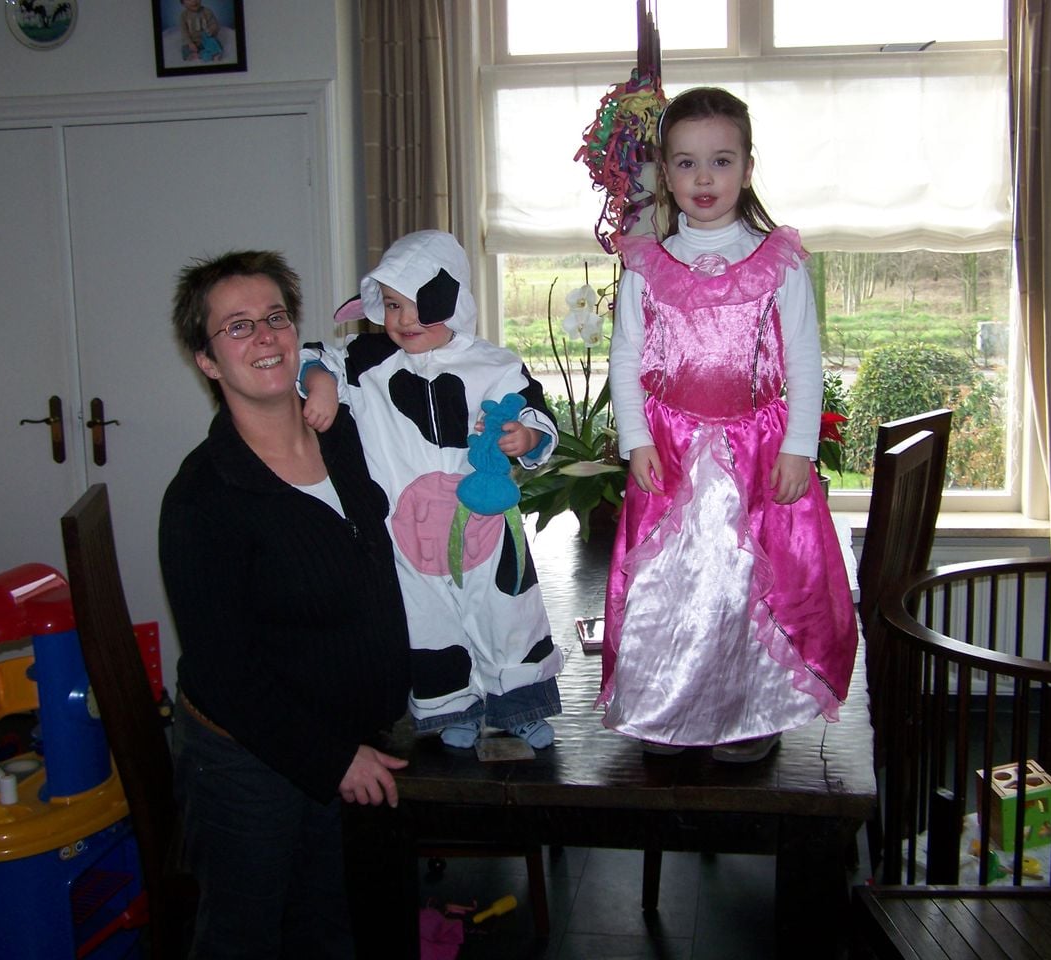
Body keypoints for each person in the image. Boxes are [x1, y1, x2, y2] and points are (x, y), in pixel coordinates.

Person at [160, 250, 411, 957]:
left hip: (352, 738)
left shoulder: (343, 436)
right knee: (248, 937)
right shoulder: (203, 500)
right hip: (253, 764)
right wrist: (332, 759)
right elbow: (225, 674)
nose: (265, 337)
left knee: (330, 929)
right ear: (206, 361)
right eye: (237, 328)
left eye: (275, 318)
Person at [600, 87, 858, 763]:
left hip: (757, 452)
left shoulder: (778, 260)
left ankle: (749, 709)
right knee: (673, 585)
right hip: (673, 454)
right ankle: (665, 702)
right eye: (685, 163)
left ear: (747, 166)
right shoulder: (645, 265)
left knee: (745, 584)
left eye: (720, 160)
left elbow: (804, 357)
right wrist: (635, 441)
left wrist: (801, 446)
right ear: (665, 172)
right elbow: (626, 357)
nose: (703, 177)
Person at [300, 229, 565, 751]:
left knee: (507, 614)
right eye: (392, 306)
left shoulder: (494, 364)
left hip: (485, 524)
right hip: (407, 531)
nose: (402, 321)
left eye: (416, 305)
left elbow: (535, 412)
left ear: (450, 299)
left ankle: (519, 705)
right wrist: (323, 382)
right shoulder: (366, 361)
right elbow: (314, 356)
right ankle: (449, 709)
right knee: (428, 622)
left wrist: (527, 435)